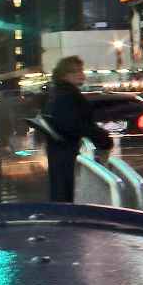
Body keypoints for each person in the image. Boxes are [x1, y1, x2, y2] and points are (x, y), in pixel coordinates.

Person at [42, 56, 113, 202]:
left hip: (60, 151)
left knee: (62, 192)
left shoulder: (59, 92)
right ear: (65, 75)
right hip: (66, 152)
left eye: (82, 70)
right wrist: (102, 138)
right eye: (77, 71)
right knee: (65, 194)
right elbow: (75, 124)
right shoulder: (67, 95)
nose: (82, 74)